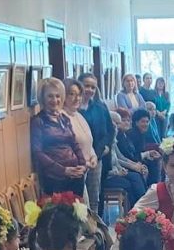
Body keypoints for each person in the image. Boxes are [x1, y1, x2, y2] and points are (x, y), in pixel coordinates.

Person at [30, 77, 87, 197]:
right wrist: (63, 170)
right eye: (50, 96)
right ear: (42, 98)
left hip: (76, 176)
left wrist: (82, 165)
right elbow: (37, 152)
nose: (55, 100)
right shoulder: (38, 121)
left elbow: (74, 144)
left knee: (78, 208)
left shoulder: (64, 119)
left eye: (57, 96)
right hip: (55, 179)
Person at [79, 72, 115, 215]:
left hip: (97, 157)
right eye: (86, 86)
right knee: (81, 199)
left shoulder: (100, 107)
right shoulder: (73, 109)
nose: (89, 90)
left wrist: (105, 147)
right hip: (79, 159)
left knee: (94, 197)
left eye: (93, 87)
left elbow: (110, 130)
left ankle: (95, 226)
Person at [63, 79, 99, 208]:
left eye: (79, 94)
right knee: (83, 210)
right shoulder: (62, 117)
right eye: (71, 94)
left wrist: (93, 156)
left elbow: (88, 141)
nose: (76, 98)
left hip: (85, 170)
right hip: (73, 173)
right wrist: (85, 163)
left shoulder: (78, 115)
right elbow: (67, 148)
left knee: (88, 207)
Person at [105, 112, 147, 207]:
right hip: (109, 175)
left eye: (118, 123)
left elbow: (119, 157)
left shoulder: (114, 140)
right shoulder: (105, 140)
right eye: (115, 123)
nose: (116, 127)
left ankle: (142, 205)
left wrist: (133, 166)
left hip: (118, 170)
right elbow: (106, 166)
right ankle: (137, 208)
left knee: (136, 175)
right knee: (129, 183)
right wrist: (119, 171)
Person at [128, 108, 162, 185]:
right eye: (143, 122)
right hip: (132, 163)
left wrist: (149, 153)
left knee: (154, 160)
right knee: (152, 164)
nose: (146, 124)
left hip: (138, 159)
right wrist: (147, 154)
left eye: (147, 122)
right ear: (136, 122)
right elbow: (133, 155)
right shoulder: (132, 134)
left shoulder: (141, 133)